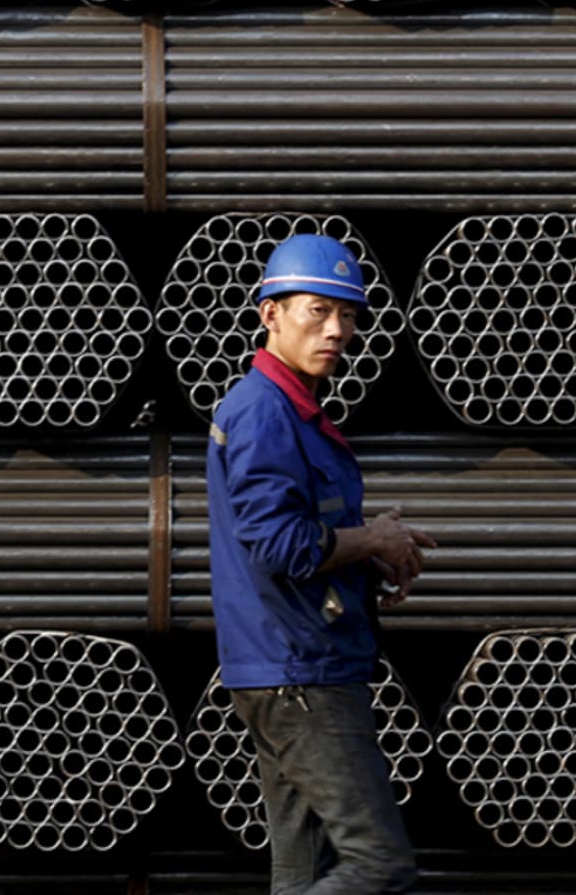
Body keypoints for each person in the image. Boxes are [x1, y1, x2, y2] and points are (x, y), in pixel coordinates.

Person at [206, 232, 436, 895]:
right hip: (301, 675)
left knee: (301, 874)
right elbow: (281, 545)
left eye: (348, 315)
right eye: (317, 310)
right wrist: (368, 543)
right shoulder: (262, 413)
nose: (337, 330)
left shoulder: (292, 411)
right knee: (376, 864)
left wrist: (371, 546)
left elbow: (304, 531)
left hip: (293, 667)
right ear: (270, 313)